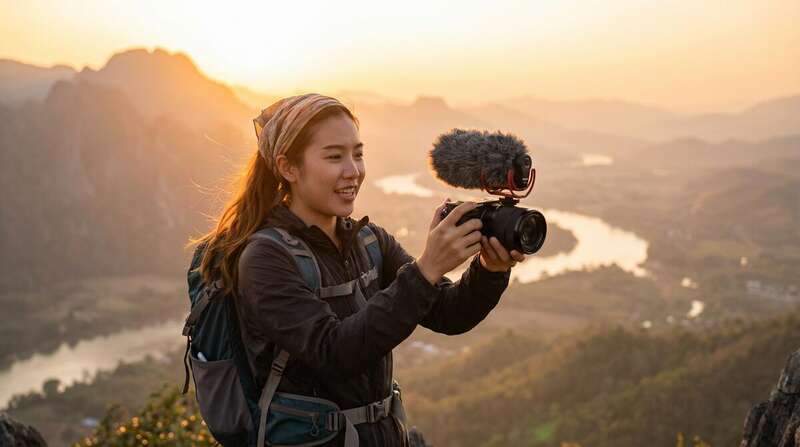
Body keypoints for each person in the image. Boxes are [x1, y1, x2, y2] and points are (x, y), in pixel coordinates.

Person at [191, 93, 526, 446]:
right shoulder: (265, 258)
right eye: (335, 157)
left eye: (358, 154)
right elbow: (333, 353)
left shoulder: (368, 241)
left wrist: (490, 269)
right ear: (288, 167)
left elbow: (449, 313)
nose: (353, 170)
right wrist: (426, 268)